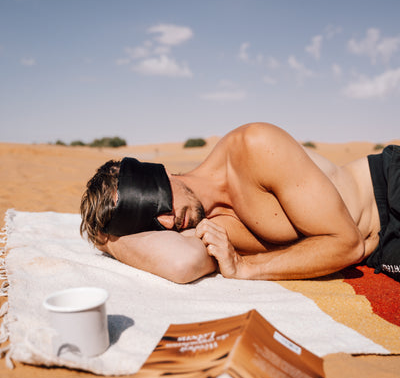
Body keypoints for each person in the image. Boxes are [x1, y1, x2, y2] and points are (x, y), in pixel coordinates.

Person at [80, 122, 398, 284]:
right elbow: (181, 264)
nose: (166, 223)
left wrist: (246, 267)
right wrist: (107, 239)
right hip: (382, 248)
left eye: (157, 207)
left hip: (388, 189)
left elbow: (347, 244)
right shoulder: (199, 223)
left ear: (162, 174)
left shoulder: (253, 148)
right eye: (149, 224)